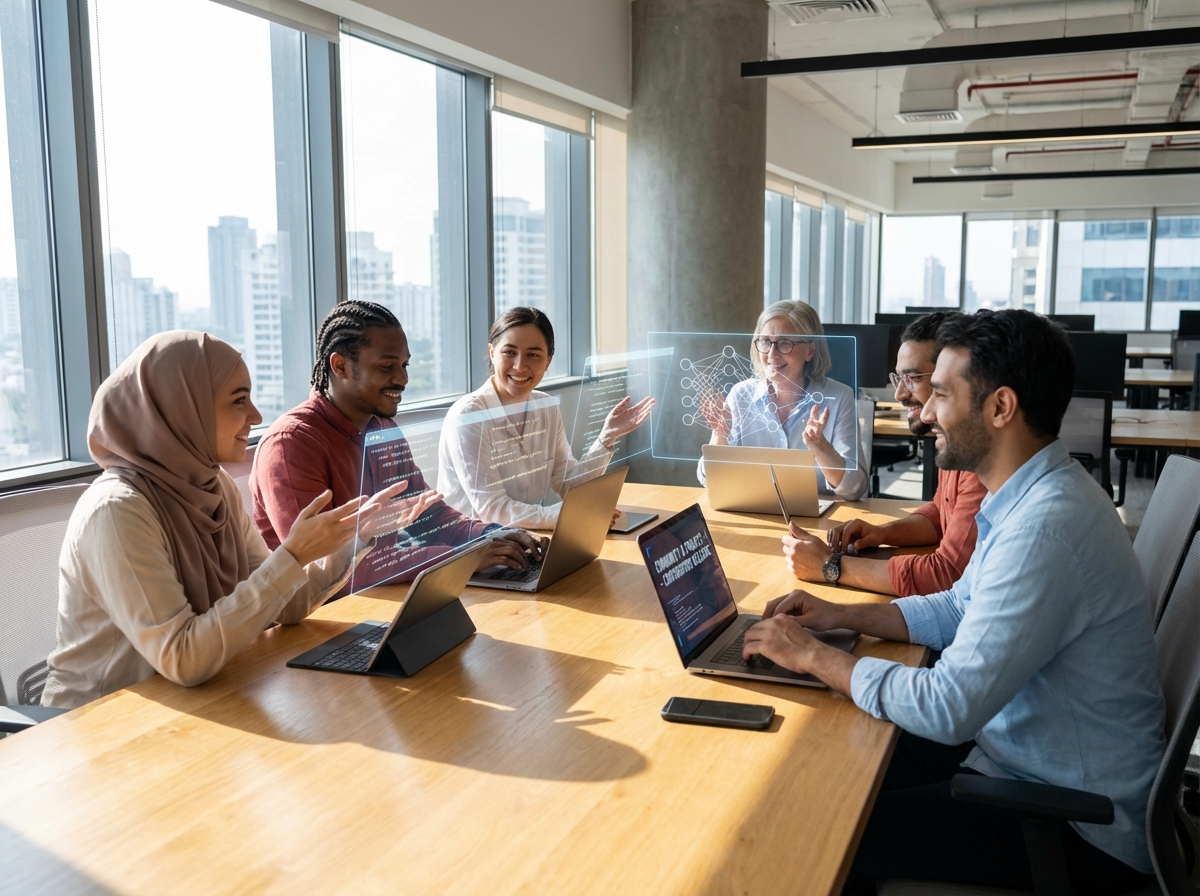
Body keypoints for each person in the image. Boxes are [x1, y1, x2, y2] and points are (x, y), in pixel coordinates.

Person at [743, 310, 1163, 894]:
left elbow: (948, 708)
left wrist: (818, 658)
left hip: (1072, 823)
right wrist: (837, 616)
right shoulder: (1029, 497)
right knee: (838, 762)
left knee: (826, 823)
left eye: (940, 393)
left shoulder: (1044, 529)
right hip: (1020, 756)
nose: (925, 410)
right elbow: (956, 608)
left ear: (1000, 408)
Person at [42, 331, 411, 709]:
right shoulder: (117, 510)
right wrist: (292, 556)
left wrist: (355, 539)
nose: (256, 416)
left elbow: (286, 606)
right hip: (98, 725)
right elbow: (184, 657)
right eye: (239, 400)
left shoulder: (211, 484)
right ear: (183, 408)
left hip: (189, 705)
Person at [251, 301, 542, 592]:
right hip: (321, 619)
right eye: (386, 367)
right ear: (339, 365)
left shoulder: (382, 426)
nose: (402, 379)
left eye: (404, 365)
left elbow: (427, 516)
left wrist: (492, 536)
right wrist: (461, 557)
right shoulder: (291, 444)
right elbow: (327, 570)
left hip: (382, 600)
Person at [780, 311, 987, 596]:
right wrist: (883, 532)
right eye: (898, 378)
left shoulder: (978, 460)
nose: (899, 393)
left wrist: (830, 566)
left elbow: (946, 575)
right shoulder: (951, 442)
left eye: (912, 377)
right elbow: (942, 511)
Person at [437, 306, 654, 528]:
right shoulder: (468, 415)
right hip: (474, 549)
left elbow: (569, 483)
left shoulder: (546, 406)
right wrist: (569, 515)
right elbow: (491, 509)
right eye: (509, 352)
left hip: (522, 541)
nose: (520, 366)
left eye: (533, 355)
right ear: (492, 353)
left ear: (548, 361)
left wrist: (607, 437)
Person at [696, 300, 867, 500]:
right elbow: (709, 481)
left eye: (785, 343)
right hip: (755, 512)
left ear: (810, 351)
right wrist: (720, 436)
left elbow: (855, 488)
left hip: (820, 519)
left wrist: (821, 447)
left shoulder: (838, 397)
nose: (772, 354)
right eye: (766, 342)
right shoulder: (740, 395)